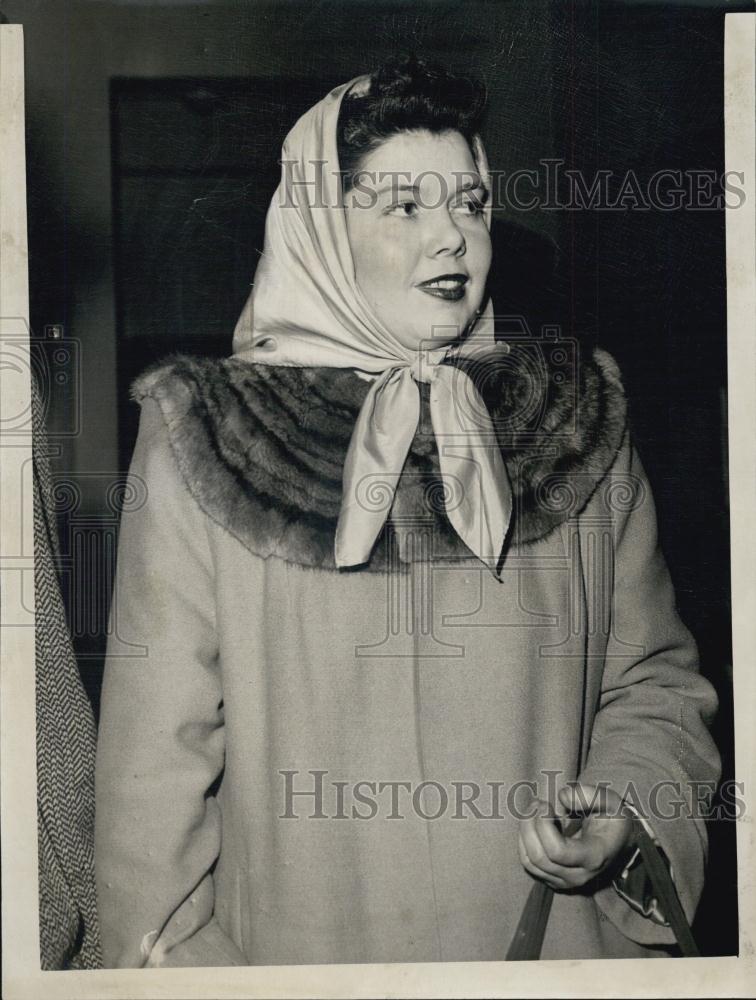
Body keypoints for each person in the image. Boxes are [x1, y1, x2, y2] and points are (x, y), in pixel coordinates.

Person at [94, 55, 721, 967]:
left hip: (555, 961)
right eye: (403, 207)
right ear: (320, 229)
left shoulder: (577, 420)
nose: (452, 240)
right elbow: (151, 787)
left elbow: (656, 687)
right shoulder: (206, 435)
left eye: (469, 203)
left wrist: (623, 812)